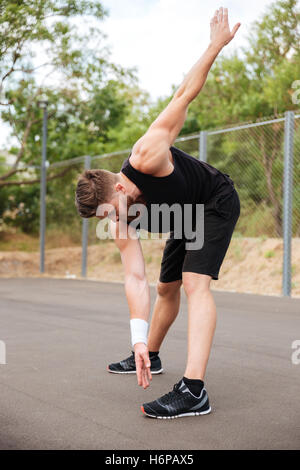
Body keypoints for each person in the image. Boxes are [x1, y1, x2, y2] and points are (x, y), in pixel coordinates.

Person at [75, 7, 241, 419]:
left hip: (214, 201)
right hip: (183, 218)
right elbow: (135, 277)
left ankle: (194, 390)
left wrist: (215, 45)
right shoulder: (118, 220)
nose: (113, 220)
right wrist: (136, 338)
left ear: (117, 187)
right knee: (166, 288)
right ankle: (150, 353)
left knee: (193, 284)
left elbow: (183, 94)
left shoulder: (147, 154)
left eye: (110, 212)